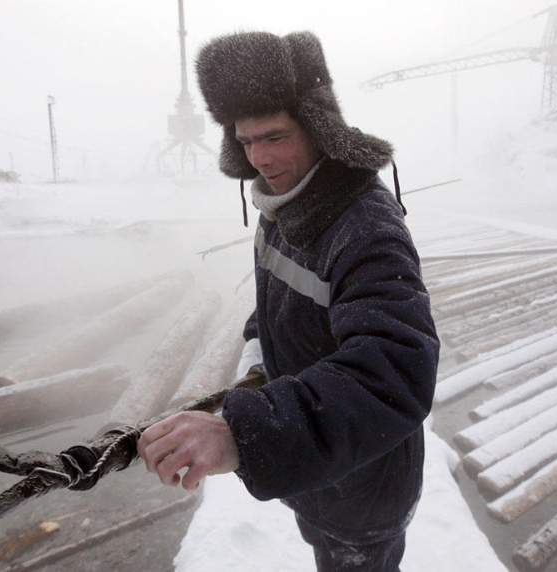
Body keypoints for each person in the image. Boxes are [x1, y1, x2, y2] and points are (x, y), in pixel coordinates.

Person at [137, 31, 440, 572]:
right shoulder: (285, 206)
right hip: (316, 474)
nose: (260, 158)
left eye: (275, 137)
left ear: (319, 129)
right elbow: (276, 306)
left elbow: (396, 368)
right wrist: (258, 361)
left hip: (364, 490)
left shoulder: (365, 228)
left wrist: (244, 433)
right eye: (246, 141)